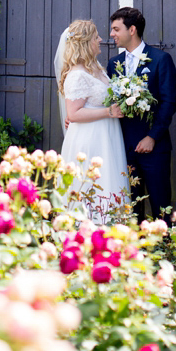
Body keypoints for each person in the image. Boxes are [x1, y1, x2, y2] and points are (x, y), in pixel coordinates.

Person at [55, 19, 131, 222]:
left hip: (107, 136)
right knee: (93, 187)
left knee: (109, 184)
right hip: (90, 140)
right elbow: (74, 114)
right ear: (85, 42)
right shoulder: (77, 75)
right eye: (95, 36)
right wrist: (109, 112)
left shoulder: (95, 67)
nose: (100, 39)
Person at [108, 6, 176, 220]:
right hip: (124, 148)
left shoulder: (160, 59)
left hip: (154, 148)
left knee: (161, 204)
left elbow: (169, 102)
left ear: (132, 30)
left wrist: (152, 137)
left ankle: (166, 250)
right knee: (130, 208)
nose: (112, 34)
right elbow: (109, 102)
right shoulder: (113, 65)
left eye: (116, 29)